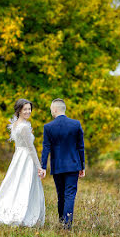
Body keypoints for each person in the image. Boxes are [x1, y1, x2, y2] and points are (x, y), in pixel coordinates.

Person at [0, 99, 45, 227]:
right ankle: (22, 214)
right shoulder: (24, 127)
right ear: (19, 110)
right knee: (25, 185)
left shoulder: (16, 124)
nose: (28, 111)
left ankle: (14, 209)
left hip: (19, 157)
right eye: (25, 109)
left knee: (15, 184)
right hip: (26, 158)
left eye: (29, 109)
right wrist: (39, 167)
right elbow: (30, 148)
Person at [39, 98, 85, 230]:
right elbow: (80, 147)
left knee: (61, 195)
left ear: (54, 110)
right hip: (73, 165)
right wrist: (82, 166)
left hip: (57, 166)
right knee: (70, 194)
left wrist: (43, 167)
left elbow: (46, 147)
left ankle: (61, 220)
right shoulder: (76, 124)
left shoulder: (48, 127)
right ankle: (67, 225)